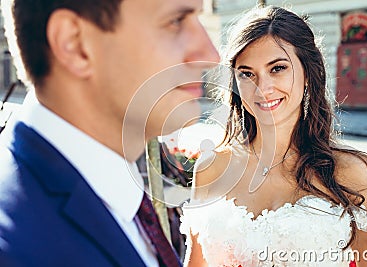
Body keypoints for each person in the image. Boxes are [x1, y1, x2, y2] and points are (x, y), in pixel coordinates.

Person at [0, 0, 219, 266]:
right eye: (175, 21)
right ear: (76, 45)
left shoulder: (116, 195)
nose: (210, 54)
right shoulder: (16, 246)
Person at [180, 5, 367, 267]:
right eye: (247, 73)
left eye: (277, 68)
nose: (262, 88)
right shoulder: (210, 168)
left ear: (307, 72)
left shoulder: (352, 173)